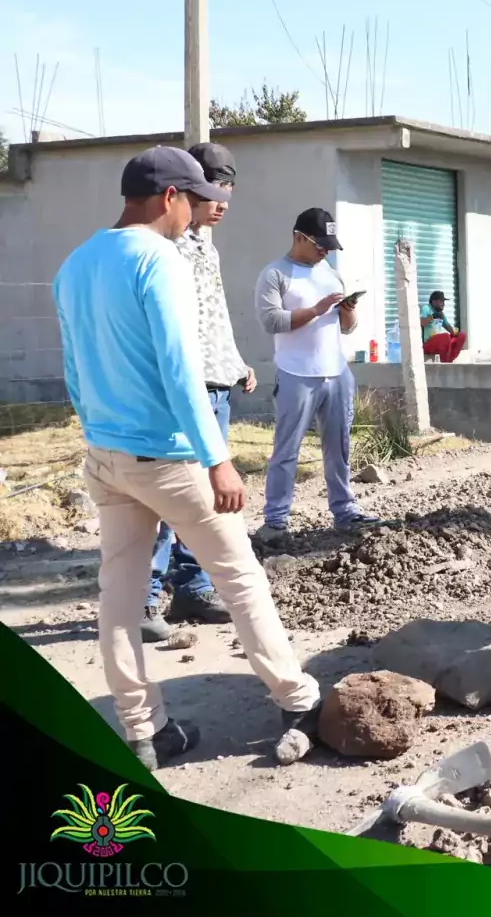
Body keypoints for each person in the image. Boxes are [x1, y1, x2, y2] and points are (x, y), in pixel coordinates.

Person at [53, 146, 323, 769]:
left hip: (107, 456)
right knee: (241, 578)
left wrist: (95, 433)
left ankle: (144, 733)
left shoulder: (75, 263)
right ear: (168, 198)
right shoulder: (160, 259)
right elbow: (182, 370)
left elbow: (72, 367)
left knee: (119, 596)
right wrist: (217, 458)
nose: (200, 211)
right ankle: (299, 697)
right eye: (193, 199)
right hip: (172, 457)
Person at [140, 142, 253, 642]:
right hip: (183, 389)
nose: (222, 198)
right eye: (212, 186)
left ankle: (191, 588)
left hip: (217, 383)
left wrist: (235, 362)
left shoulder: (206, 245)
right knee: (168, 498)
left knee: (205, 500)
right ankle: (143, 601)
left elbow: (211, 317)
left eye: (228, 186)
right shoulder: (165, 246)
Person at [253, 208, 378, 535]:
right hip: (296, 374)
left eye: (329, 246)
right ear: (299, 237)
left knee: (339, 448)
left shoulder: (330, 273)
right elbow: (271, 321)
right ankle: (276, 520)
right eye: (319, 244)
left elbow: (347, 328)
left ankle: (345, 510)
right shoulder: (275, 274)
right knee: (286, 451)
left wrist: (347, 312)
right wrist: (317, 310)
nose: (325, 250)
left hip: (336, 373)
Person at [421, 289, 467, 363]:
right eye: (441, 301)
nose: (443, 304)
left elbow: (448, 327)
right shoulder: (426, 309)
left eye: (444, 301)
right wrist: (433, 316)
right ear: (434, 301)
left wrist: (457, 334)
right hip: (428, 343)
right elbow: (422, 323)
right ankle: (444, 361)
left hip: (439, 343)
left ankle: (449, 359)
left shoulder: (440, 313)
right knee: (445, 337)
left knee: (461, 335)